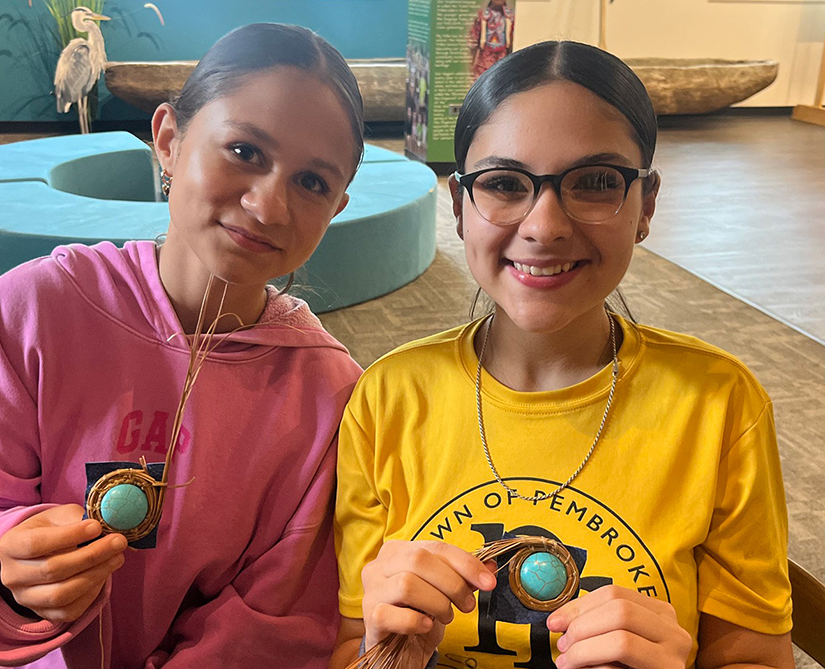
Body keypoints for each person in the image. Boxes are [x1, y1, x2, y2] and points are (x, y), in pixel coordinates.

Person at [0, 23, 364, 669]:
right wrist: (4, 561)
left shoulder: (329, 392)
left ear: (336, 207)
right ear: (169, 139)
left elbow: (279, 614)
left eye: (311, 182)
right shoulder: (34, 312)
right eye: (244, 150)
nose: (267, 206)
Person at [331, 41, 793, 669]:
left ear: (646, 206)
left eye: (597, 182)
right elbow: (347, 646)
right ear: (462, 208)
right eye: (503, 184)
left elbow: (756, 656)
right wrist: (390, 656)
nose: (544, 225)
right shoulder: (388, 399)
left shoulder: (718, 405)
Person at [469, 0, 515, 80]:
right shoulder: (482, 15)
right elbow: (474, 35)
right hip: (485, 55)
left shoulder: (510, 16)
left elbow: (513, 36)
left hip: (502, 54)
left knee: (500, 77)